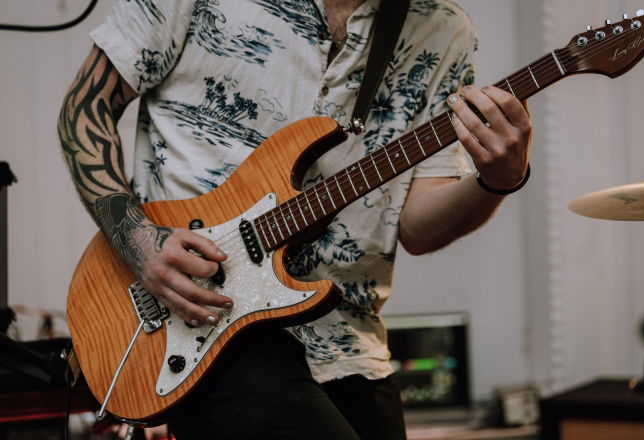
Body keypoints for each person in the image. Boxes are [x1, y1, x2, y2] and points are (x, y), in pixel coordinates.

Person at [57, 0, 531, 439]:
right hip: (203, 322)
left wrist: (496, 180)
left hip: (349, 342)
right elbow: (84, 109)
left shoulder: (443, 28)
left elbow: (417, 229)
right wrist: (140, 242)